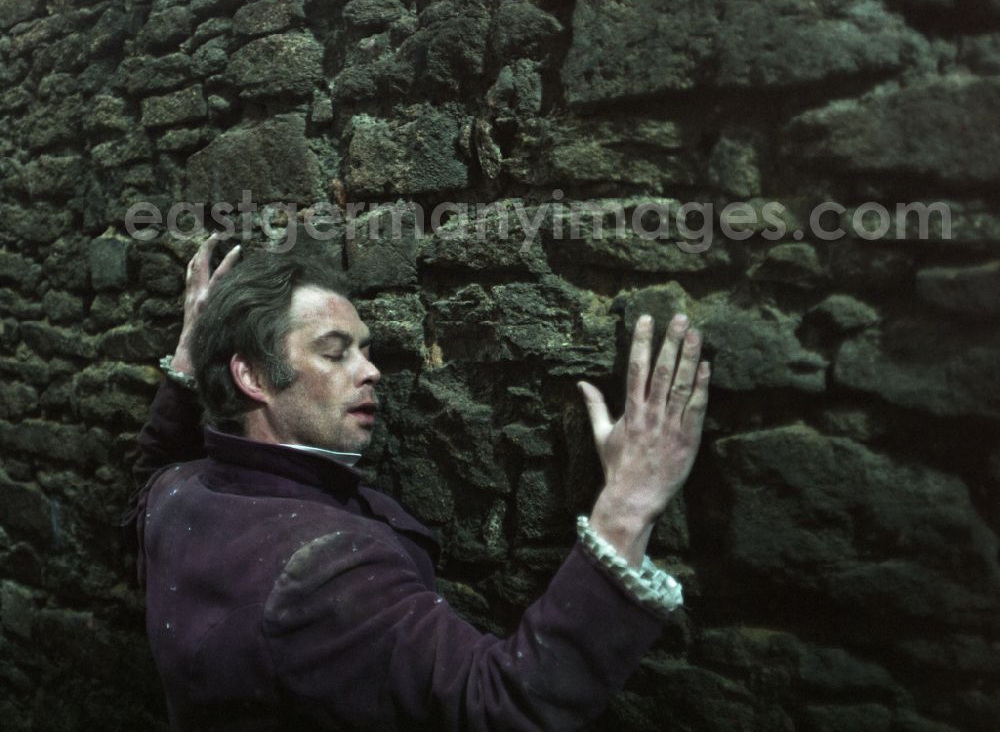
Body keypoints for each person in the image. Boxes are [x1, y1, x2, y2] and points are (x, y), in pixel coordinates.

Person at [132, 233, 710, 731]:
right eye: (335, 354)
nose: (371, 370)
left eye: (365, 349)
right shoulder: (325, 568)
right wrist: (627, 509)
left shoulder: (175, 497)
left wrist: (188, 364)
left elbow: (148, 475)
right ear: (252, 375)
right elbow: (503, 705)